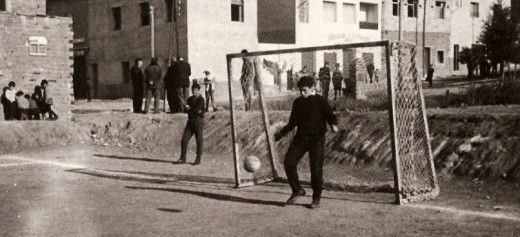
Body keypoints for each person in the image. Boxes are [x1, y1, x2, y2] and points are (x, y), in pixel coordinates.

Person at [274, 76, 338, 209]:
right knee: (289, 162)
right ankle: (297, 190)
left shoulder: (320, 101)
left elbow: (330, 115)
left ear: (313, 87)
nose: (302, 93)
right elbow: (292, 123)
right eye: (300, 91)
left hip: (317, 140)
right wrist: (281, 133)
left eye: (304, 90)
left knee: (316, 169)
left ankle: (316, 198)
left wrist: (333, 124)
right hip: (300, 139)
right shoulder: (297, 103)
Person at [176, 83, 205, 165]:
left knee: (199, 140)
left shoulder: (201, 100)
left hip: (198, 121)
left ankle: (198, 158)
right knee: (184, 139)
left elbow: (196, 110)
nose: (194, 91)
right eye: (193, 90)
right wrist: (190, 109)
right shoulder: (190, 99)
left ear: (199, 90)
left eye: (196, 90)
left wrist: (191, 109)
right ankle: (182, 158)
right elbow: (186, 110)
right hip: (190, 121)